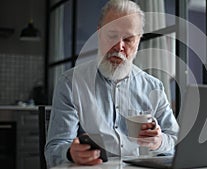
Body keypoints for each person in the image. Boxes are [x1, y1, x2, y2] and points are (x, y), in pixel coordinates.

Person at [45, 0, 179, 167]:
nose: (119, 46)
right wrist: (70, 153)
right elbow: (54, 150)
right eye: (112, 35)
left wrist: (158, 141)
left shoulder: (154, 87)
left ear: (138, 41)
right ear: (99, 34)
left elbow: (176, 142)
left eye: (128, 39)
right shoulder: (70, 84)